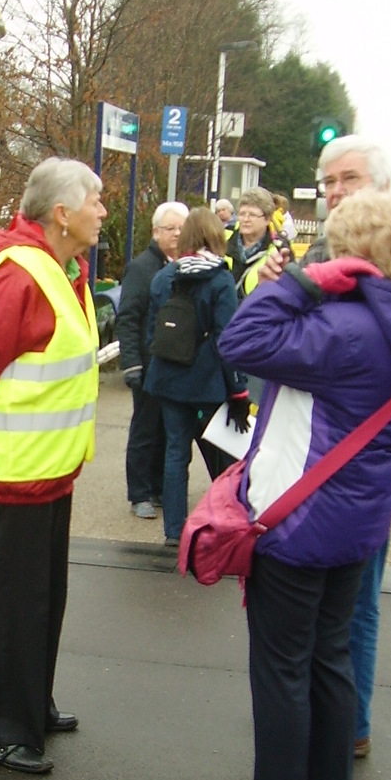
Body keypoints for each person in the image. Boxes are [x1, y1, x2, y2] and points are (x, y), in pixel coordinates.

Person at [215, 190, 391, 780]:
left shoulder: (343, 332)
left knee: (281, 670)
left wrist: (298, 281)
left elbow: (239, 341)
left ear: (351, 257)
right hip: (359, 525)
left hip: (299, 526)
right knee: (330, 659)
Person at [258, 136, 391, 757]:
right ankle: (309, 715)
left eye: (350, 178)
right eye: (329, 181)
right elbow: (267, 345)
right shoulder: (313, 250)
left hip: (365, 459)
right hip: (304, 453)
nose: (337, 190)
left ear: (382, 186)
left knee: (353, 606)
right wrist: (273, 287)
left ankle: (351, 726)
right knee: (305, 609)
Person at [0, 157, 105, 775]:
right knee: (17, 601)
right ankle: (1, 728)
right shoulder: (22, 276)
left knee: (45, 594)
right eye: (96, 199)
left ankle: (31, 702)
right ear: (62, 213)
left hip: (51, 467)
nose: (103, 210)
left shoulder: (58, 269)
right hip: (22, 470)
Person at [144, 208, 249, 546]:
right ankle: (225, 523)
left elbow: (152, 331)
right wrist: (239, 393)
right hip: (207, 385)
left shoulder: (165, 277)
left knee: (176, 452)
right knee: (222, 456)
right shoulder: (220, 280)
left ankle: (174, 532)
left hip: (168, 380)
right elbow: (227, 340)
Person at [117, 199, 189, 518]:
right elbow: (129, 317)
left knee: (169, 430)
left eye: (181, 229)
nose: (176, 234)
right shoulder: (141, 268)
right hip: (147, 365)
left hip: (176, 367)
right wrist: (132, 363)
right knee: (145, 430)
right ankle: (140, 492)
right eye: (169, 228)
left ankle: (160, 487)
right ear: (155, 231)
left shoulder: (189, 266)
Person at [230, 187, 276, 299]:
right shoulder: (222, 241)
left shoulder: (279, 250)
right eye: (242, 214)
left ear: (268, 219)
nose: (246, 219)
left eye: (252, 215)